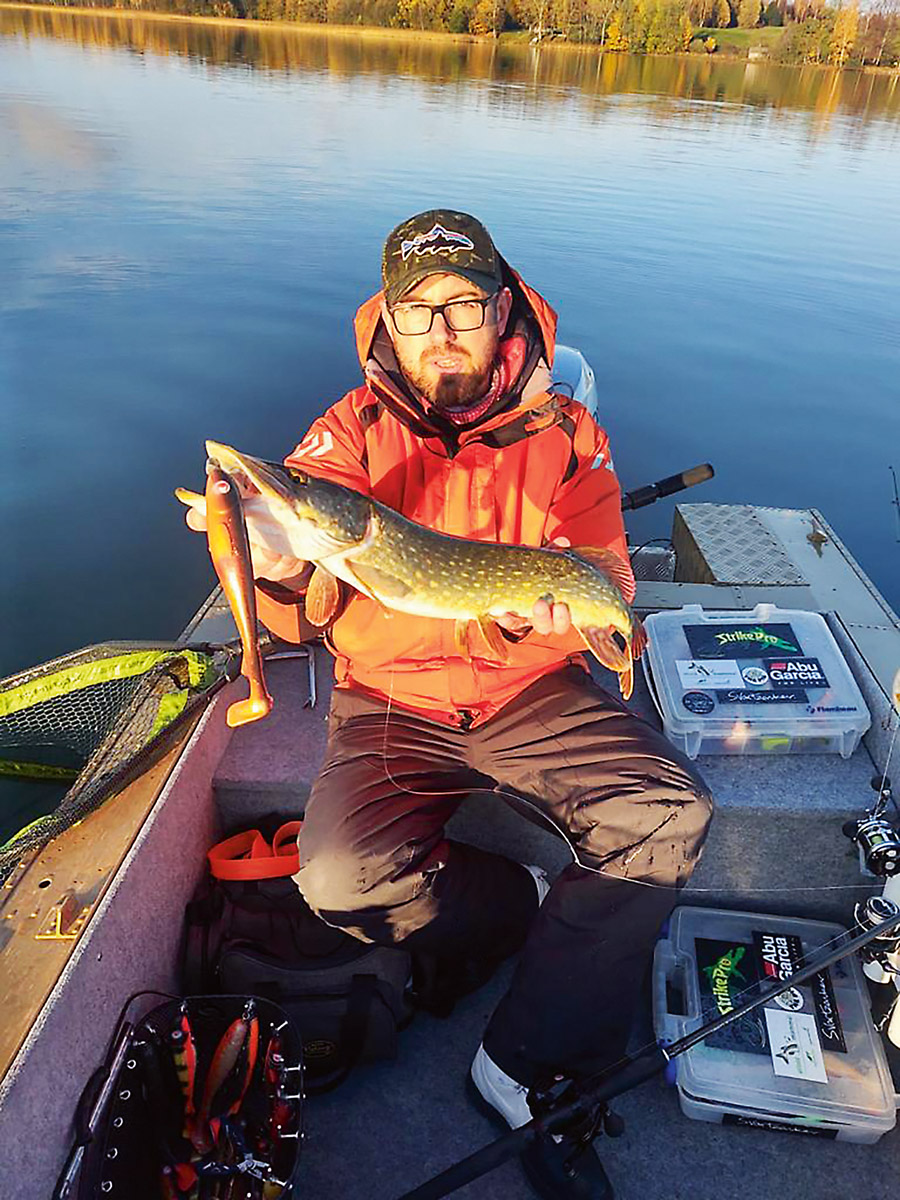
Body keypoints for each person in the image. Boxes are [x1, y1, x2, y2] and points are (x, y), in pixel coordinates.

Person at [186, 210, 713, 1199]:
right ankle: (513, 894)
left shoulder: (569, 432)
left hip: (528, 690)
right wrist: (272, 555)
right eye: (416, 311)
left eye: (463, 305)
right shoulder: (345, 435)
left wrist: (567, 620)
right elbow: (301, 608)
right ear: (386, 320)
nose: (441, 332)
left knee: (664, 809)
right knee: (337, 875)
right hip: (390, 700)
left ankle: (522, 1062)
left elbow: (606, 584)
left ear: (502, 309)